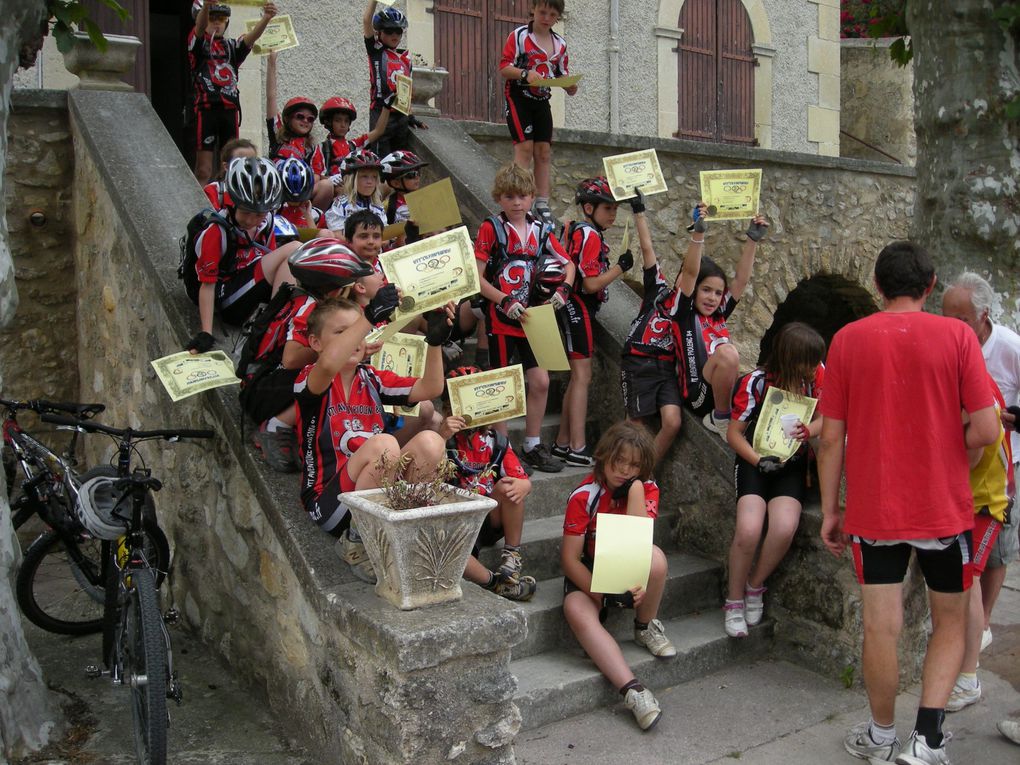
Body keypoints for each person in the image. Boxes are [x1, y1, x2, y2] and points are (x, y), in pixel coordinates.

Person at [817, 241, 1000, 764]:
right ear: (931, 283)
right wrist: (946, 442)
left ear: (877, 286)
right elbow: (986, 428)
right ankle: (927, 739)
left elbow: (831, 439)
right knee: (949, 620)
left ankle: (879, 735)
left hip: (875, 509)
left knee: (881, 626)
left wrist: (831, 510)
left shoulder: (849, 340)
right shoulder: (959, 336)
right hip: (942, 507)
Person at [294, 297, 454, 581]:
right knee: (384, 444)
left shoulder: (371, 378)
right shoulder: (309, 378)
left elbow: (431, 387)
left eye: (357, 330)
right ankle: (358, 542)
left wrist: (435, 341)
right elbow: (330, 364)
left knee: (431, 442)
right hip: (330, 505)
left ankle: (406, 532)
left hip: (377, 491)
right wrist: (367, 317)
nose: (355, 337)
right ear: (316, 343)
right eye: (342, 332)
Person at [561, 421, 676, 731]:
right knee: (574, 608)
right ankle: (633, 691)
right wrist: (602, 594)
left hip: (626, 563)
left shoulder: (647, 488)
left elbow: (638, 545)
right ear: (604, 456)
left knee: (656, 560)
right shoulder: (584, 495)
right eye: (619, 461)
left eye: (635, 465)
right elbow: (570, 560)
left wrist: (636, 489)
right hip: (591, 570)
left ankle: (644, 625)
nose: (624, 470)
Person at [723, 322, 826, 637]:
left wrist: (809, 431)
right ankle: (734, 600)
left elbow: (828, 418)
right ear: (790, 358)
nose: (815, 368)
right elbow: (733, 434)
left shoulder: (814, 381)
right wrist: (758, 461)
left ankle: (755, 586)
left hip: (792, 464)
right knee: (749, 530)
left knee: (783, 528)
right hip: (756, 462)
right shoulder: (755, 382)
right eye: (809, 362)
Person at [239, 239, 377, 472]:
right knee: (331, 370)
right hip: (261, 390)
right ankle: (275, 426)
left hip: (264, 383)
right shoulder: (308, 308)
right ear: (335, 288)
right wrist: (336, 350)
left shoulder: (302, 297)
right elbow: (291, 359)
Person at [474, 162, 575, 473]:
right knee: (504, 384)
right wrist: (503, 299)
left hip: (533, 317)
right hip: (502, 317)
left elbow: (567, 263)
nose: (516, 203)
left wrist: (564, 291)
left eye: (522, 196)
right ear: (499, 199)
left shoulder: (542, 230)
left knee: (541, 381)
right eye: (509, 197)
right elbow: (477, 278)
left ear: (532, 197)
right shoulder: (491, 228)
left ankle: (531, 443)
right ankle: (502, 449)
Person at [942, 272, 1020, 651]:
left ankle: (983, 621)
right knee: (969, 563)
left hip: (1005, 462)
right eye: (946, 318)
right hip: (966, 462)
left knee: (997, 553)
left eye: (960, 321)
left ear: (983, 315)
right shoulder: (951, 347)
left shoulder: (1009, 346)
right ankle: (973, 630)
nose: (952, 327)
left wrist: (1005, 416)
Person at [552, 179, 638, 466]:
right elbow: (589, 284)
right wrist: (620, 268)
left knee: (579, 378)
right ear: (589, 208)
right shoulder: (589, 234)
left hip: (574, 307)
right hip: (578, 306)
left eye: (615, 208)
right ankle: (577, 446)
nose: (613, 214)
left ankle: (563, 443)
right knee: (582, 377)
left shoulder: (584, 230)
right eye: (607, 208)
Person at [673, 204, 768, 440]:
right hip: (697, 395)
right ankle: (721, 418)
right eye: (705, 290)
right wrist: (698, 234)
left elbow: (741, 280)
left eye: (717, 292)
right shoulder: (684, 314)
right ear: (694, 291)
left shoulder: (719, 314)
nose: (713, 298)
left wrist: (752, 240)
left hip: (720, 390)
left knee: (765, 376)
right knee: (729, 353)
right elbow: (690, 274)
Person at [441, 366, 536, 601]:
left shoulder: (496, 441)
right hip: (456, 523)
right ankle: (496, 584)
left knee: (510, 487)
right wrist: (441, 435)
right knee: (446, 552)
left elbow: (520, 479)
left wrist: (526, 486)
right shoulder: (438, 438)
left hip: (488, 516)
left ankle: (512, 556)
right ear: (448, 408)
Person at [187, 157, 299, 354]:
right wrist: (206, 332)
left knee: (294, 258)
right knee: (294, 247)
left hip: (249, 289)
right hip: (227, 300)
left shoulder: (267, 222)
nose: (251, 220)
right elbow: (207, 285)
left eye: (258, 214)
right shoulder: (217, 231)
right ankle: (269, 327)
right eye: (245, 212)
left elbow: (272, 260)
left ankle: (278, 322)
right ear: (233, 203)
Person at [498, 0, 577, 227]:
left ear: (558, 17)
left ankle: (541, 201)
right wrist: (524, 74)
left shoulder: (560, 43)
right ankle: (519, 197)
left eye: (552, 14)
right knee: (524, 148)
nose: (546, 18)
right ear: (533, 10)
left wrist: (570, 86)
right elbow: (504, 68)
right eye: (542, 12)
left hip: (542, 99)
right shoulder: (519, 36)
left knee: (543, 151)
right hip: (518, 97)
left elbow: (562, 73)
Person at [188, 1, 276, 184]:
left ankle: (227, 204)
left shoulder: (231, 47)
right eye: (212, 18)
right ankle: (201, 206)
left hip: (229, 111)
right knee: (204, 169)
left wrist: (266, 18)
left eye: (221, 19)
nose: (216, 23)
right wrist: (206, 8)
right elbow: (199, 27)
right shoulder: (197, 43)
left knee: (230, 166)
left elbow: (250, 39)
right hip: (206, 111)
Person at [362, 3, 424, 157]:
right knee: (381, 162)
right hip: (381, 113)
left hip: (400, 116)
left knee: (399, 161)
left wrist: (410, 117)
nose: (394, 35)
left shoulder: (406, 59)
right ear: (379, 33)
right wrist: (374, 1)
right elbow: (365, 21)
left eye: (398, 31)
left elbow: (406, 92)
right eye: (389, 31)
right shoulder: (376, 51)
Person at [310, 96, 391, 210]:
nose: (343, 124)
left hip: (356, 184)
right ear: (329, 122)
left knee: (387, 186)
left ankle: (377, 215)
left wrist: (386, 107)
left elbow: (378, 131)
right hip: (337, 189)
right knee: (343, 190)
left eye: (346, 121)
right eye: (338, 120)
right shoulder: (322, 147)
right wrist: (329, 179)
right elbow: (316, 178)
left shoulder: (354, 145)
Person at [325, 150, 387, 233]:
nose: (370, 181)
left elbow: (385, 235)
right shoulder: (341, 205)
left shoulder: (378, 206)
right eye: (364, 176)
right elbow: (337, 235)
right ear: (351, 180)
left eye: (374, 177)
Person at [203, 137, 257, 210]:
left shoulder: (260, 190)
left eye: (252, 161)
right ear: (226, 166)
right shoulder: (213, 191)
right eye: (240, 162)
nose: (247, 166)